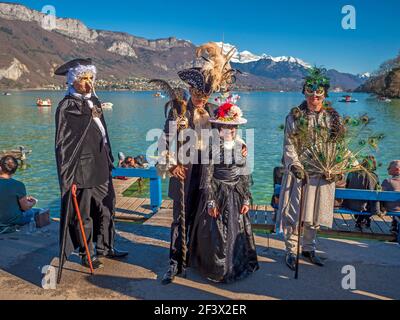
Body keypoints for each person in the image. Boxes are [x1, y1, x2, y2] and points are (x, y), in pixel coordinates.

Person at [159, 42, 244, 285]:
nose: (200, 99)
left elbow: (229, 134)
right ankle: (175, 260)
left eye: (205, 95)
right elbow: (164, 142)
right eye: (197, 94)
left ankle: (195, 256)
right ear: (189, 90)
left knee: (202, 216)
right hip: (184, 170)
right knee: (180, 217)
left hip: (207, 172)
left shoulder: (215, 112)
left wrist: (239, 145)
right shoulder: (178, 111)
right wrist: (172, 165)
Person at [54, 58, 127, 274]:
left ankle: (106, 246)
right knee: (83, 214)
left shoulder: (94, 100)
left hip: (102, 165)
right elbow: (63, 146)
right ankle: (88, 254)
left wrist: (110, 158)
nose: (88, 83)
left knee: (107, 207)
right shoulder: (66, 107)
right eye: (84, 79)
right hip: (82, 171)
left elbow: (103, 134)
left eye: (91, 78)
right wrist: (70, 177)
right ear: (73, 81)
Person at [277, 67, 344, 271]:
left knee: (315, 213)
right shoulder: (294, 117)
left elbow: (338, 146)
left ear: (324, 93)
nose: (314, 95)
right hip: (299, 173)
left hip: (322, 173)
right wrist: (296, 165)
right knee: (295, 213)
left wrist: (336, 167)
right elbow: (289, 144)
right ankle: (291, 249)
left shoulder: (333, 118)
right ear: (304, 92)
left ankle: (309, 248)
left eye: (318, 92)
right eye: (310, 91)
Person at [189, 95, 259, 283]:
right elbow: (207, 177)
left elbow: (245, 173)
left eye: (234, 127)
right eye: (228, 127)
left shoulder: (241, 145)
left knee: (237, 232)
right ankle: (217, 269)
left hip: (236, 193)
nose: (231, 130)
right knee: (217, 234)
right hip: (217, 193)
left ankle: (236, 265)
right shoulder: (211, 147)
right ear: (220, 128)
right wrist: (211, 201)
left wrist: (245, 198)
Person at [0, 156, 42, 233]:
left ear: (0, 167)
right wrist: (33, 202)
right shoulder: (18, 185)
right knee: (34, 211)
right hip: (11, 222)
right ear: (15, 170)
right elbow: (25, 208)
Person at [343, 156, 380, 230]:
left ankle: (360, 220)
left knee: (362, 200)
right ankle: (363, 219)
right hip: (363, 206)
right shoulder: (373, 176)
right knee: (371, 201)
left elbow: (346, 186)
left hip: (349, 204)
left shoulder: (351, 173)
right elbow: (375, 193)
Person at [381, 160, 400, 234]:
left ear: (397, 170)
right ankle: (394, 225)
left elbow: (380, 197)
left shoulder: (387, 181)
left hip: (391, 209)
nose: (387, 169)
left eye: (389, 168)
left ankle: (394, 225)